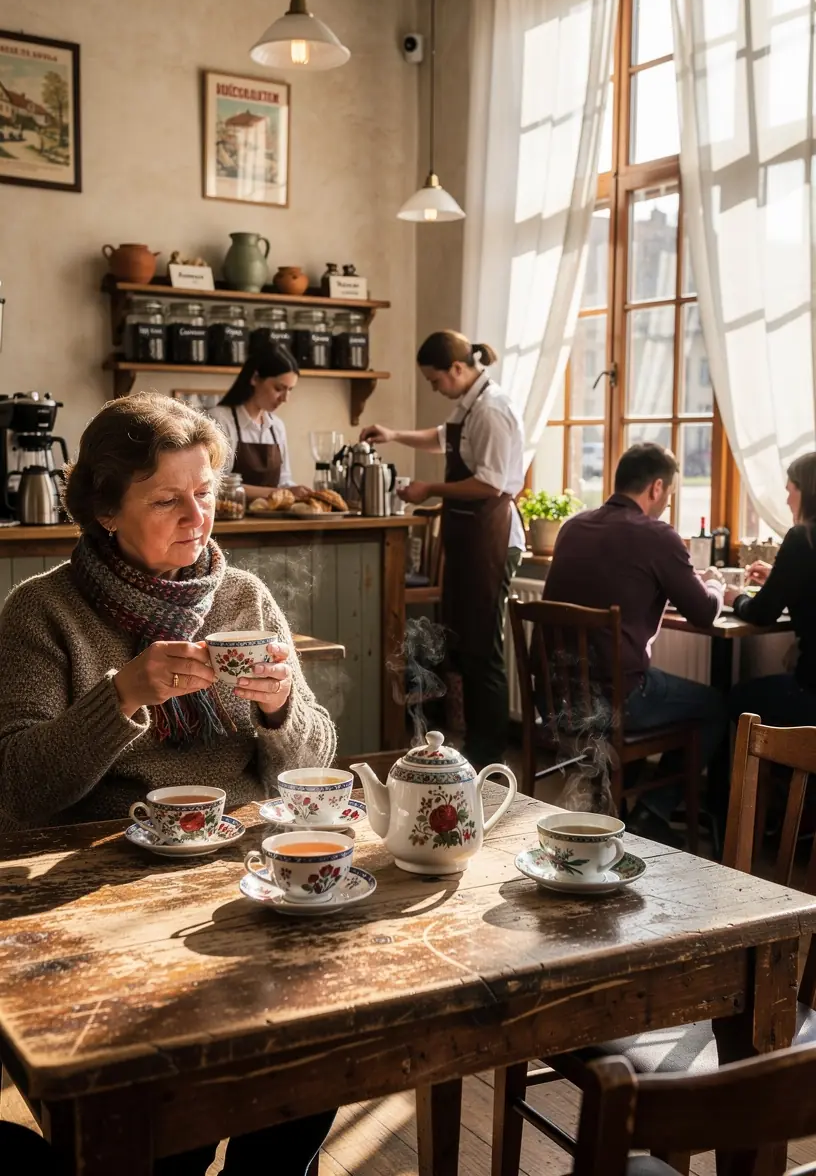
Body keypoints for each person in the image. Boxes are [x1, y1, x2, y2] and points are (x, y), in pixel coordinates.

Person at [0, 391, 336, 1175]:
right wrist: (121, 697)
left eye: (206, 494)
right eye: (168, 499)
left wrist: (283, 706)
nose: (198, 517)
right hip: (96, 900)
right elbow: (16, 788)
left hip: (240, 882)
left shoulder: (244, 597)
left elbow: (308, 766)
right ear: (107, 511)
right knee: (169, 1117)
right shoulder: (41, 612)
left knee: (316, 1052)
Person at [542, 442, 728, 837]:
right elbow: (703, 611)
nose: (667, 504)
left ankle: (621, 807)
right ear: (657, 488)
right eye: (671, 495)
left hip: (561, 696)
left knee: (642, 685)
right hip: (617, 699)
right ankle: (653, 814)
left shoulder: (572, 527)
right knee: (717, 705)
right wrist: (715, 584)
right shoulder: (656, 535)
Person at [361, 330, 525, 766]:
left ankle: (489, 753)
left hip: (493, 539)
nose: (434, 388)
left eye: (435, 380)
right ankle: (473, 745)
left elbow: (490, 482)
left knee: (483, 651)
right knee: (465, 647)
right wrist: (394, 433)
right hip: (470, 538)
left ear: (457, 368)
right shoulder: (470, 405)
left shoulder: (492, 409)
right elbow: (442, 438)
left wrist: (430, 487)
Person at [725, 453, 816, 726]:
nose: (788, 500)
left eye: (790, 491)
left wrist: (735, 598)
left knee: (733, 700)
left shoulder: (803, 537)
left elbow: (761, 613)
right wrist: (779, 579)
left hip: (810, 691)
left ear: (807, 492)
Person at [208, 347, 311, 501]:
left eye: (290, 390)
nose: (285, 398)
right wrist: (275, 493)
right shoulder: (220, 419)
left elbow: (283, 481)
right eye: (278, 388)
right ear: (255, 378)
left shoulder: (277, 427)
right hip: (232, 519)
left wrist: (295, 490)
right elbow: (217, 483)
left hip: (273, 520)